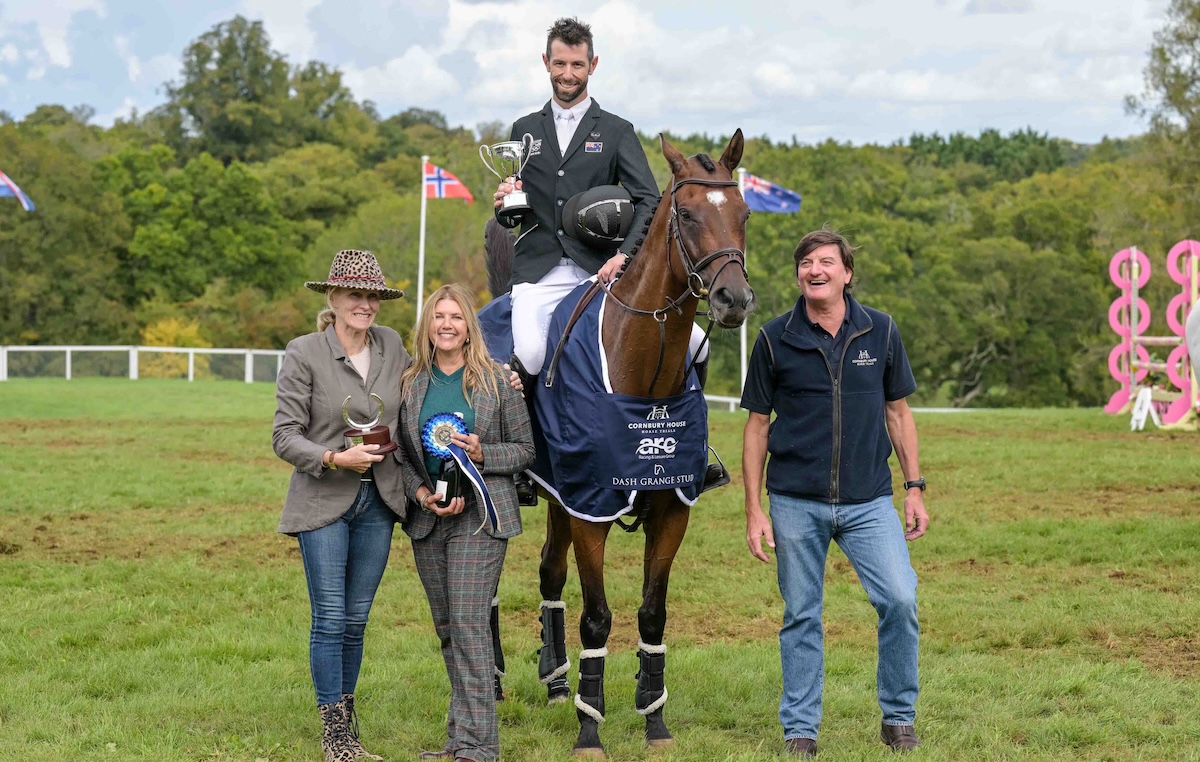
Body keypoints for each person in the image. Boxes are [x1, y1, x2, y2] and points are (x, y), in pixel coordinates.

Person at [740, 229, 930, 757]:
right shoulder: (775, 338)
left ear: (847, 273)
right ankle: (800, 730)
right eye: (805, 262)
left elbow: (899, 413)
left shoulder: (881, 331)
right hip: (794, 502)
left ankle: (899, 718)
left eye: (826, 261)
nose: (814, 269)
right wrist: (755, 508)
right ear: (799, 275)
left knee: (900, 599)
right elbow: (757, 426)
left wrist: (913, 488)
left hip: (870, 501)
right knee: (801, 614)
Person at [493, 16, 710, 379]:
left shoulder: (616, 130)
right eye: (560, 63)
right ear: (546, 62)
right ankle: (527, 437)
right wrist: (504, 204)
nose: (568, 73)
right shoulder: (525, 129)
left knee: (696, 344)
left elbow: (650, 201)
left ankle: (691, 432)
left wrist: (624, 257)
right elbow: (512, 217)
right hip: (538, 271)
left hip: (602, 270)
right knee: (529, 355)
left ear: (592, 65)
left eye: (577, 64)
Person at [272, 249, 410, 762]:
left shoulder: (393, 344)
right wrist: (334, 456)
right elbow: (284, 436)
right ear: (332, 297)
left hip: (379, 500)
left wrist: (496, 378)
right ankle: (335, 739)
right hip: (323, 501)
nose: (366, 304)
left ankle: (348, 732)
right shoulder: (304, 351)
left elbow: (421, 395)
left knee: (357, 621)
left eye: (373, 295)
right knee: (330, 618)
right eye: (356, 294)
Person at [397, 284, 536, 762]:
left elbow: (524, 449)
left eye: (456, 316)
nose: (447, 325)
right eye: (439, 317)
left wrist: (482, 452)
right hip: (429, 519)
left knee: (470, 624)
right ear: (428, 326)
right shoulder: (411, 381)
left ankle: (480, 748)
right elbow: (404, 455)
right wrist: (420, 493)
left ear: (469, 326)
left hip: (482, 518)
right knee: (447, 628)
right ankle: (460, 739)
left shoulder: (497, 381)